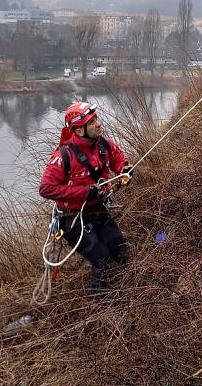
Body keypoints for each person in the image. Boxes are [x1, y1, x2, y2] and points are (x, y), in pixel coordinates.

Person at [39, 101, 133, 295]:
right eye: (92, 122)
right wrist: (84, 192)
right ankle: (99, 301)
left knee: (120, 250)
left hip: (97, 209)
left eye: (96, 119)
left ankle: (124, 292)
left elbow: (118, 159)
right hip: (72, 218)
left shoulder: (104, 144)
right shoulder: (63, 156)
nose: (98, 124)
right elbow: (46, 188)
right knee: (101, 258)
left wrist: (125, 170)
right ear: (80, 131)